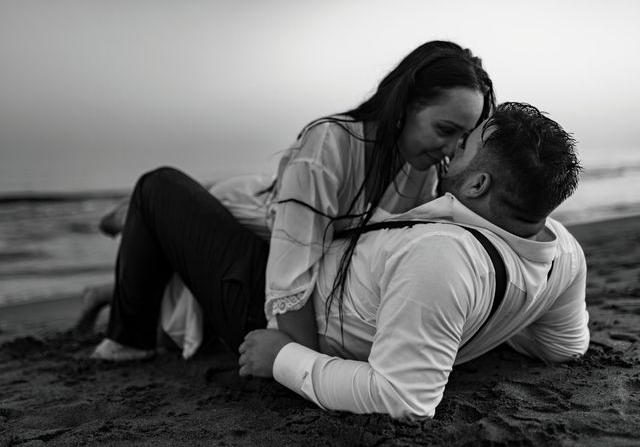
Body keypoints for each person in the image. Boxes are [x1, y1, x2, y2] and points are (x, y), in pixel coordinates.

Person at [92, 102, 588, 418]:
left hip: (277, 313)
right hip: (311, 270)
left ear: (479, 185)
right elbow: (564, 347)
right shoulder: (561, 250)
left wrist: (282, 359)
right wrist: (484, 318)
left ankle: (127, 333)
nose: (455, 146)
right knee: (239, 200)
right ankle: (130, 260)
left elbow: (402, 399)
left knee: (158, 187)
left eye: (468, 145)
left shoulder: (445, 259)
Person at [85, 40, 496, 358]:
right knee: (158, 185)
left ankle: (121, 265)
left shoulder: (425, 171)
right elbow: (289, 281)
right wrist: (305, 365)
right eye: (445, 129)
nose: (450, 149)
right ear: (404, 105)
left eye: (463, 137)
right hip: (256, 226)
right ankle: (128, 335)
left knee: (197, 200)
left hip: (269, 229)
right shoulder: (331, 146)